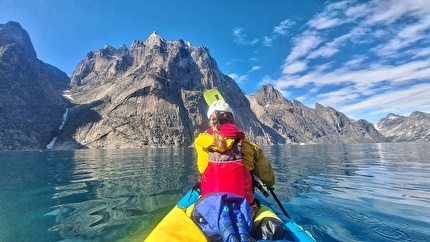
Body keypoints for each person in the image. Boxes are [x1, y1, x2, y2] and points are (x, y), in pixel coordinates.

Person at [194, 100, 276, 206]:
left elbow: (202, 169)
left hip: (212, 209)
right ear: (232, 119)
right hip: (244, 210)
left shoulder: (201, 144)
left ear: (211, 120)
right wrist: (270, 184)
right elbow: (265, 172)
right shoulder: (248, 146)